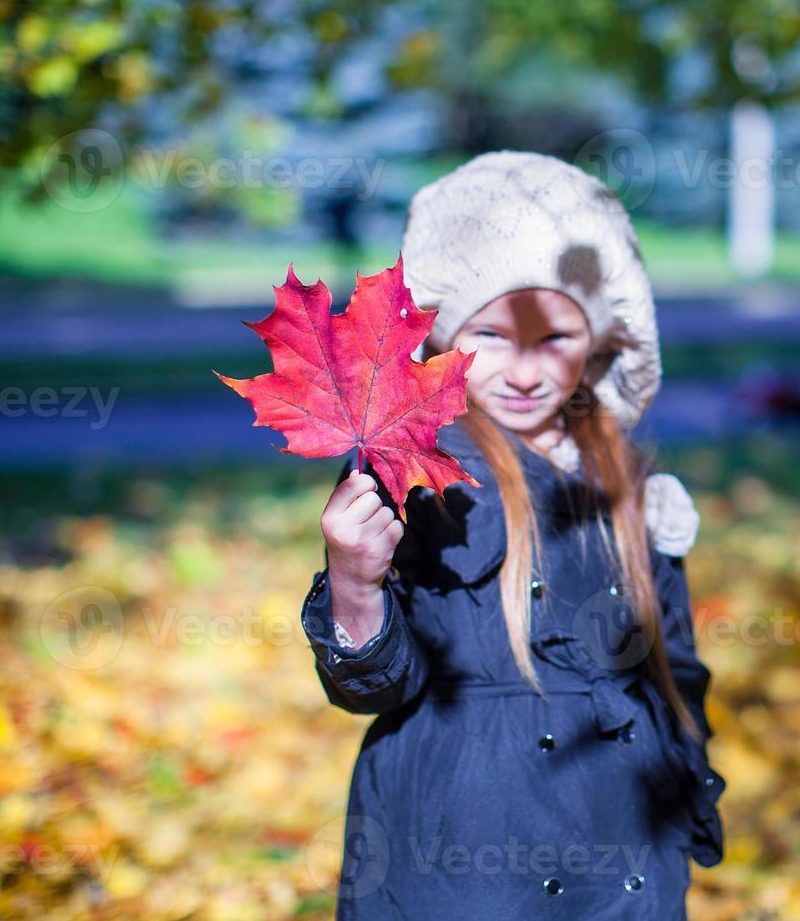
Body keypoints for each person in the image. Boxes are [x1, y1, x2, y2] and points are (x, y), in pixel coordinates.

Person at [299, 151, 726, 919]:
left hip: (621, 856)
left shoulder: (634, 487)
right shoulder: (413, 470)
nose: (524, 372)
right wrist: (355, 582)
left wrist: (684, 790)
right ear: (437, 337)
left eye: (554, 338)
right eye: (491, 334)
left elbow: (678, 673)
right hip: (464, 857)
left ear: (596, 345)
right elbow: (377, 687)